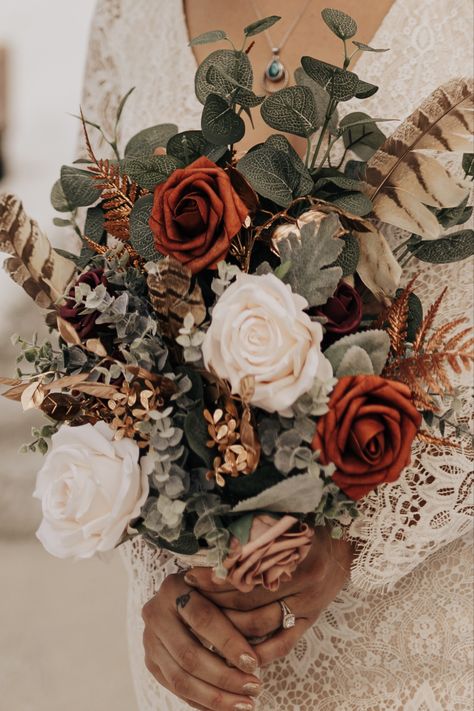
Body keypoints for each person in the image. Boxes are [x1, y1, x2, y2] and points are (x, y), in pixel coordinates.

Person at [80, 1, 473, 709]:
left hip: (425, 659)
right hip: (194, 660)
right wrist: (166, 538)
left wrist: (355, 535)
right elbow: (102, 321)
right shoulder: (127, 17)